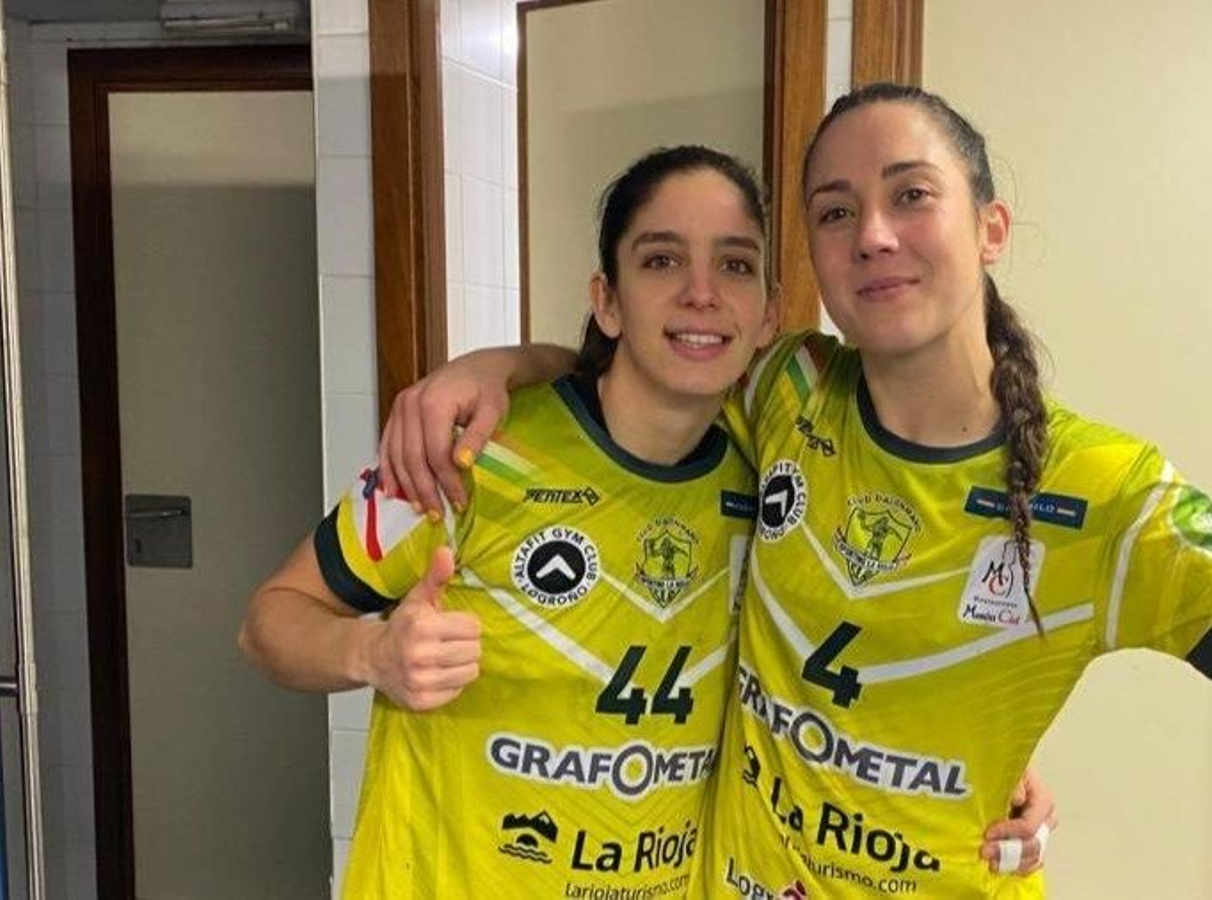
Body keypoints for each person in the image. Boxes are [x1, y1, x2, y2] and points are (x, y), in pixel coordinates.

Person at [375, 84, 1212, 897]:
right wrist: (496, 367)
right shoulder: (781, 392)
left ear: (991, 228)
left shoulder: (1107, 495)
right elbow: (658, 353)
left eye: (911, 195)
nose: (871, 233)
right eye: (832, 210)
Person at [241, 144, 1050, 898]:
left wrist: (989, 767)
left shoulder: (773, 473)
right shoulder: (470, 456)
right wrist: (371, 652)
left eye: (733, 264)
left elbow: (849, 661)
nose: (701, 292)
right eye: (661, 260)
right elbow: (269, 622)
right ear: (607, 301)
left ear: (768, 314)